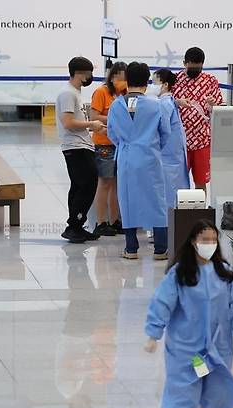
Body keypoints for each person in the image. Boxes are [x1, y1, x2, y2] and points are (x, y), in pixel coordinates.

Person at [143, 219, 233, 408]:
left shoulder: (223, 273)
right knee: (186, 394)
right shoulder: (181, 274)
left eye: (213, 240)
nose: (209, 244)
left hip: (217, 349)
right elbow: (162, 303)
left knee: (218, 393)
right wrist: (154, 334)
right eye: (204, 240)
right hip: (188, 350)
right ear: (194, 242)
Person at [107, 62, 170, 260]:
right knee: (156, 200)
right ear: (147, 80)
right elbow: (166, 133)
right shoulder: (156, 105)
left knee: (127, 200)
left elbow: (111, 133)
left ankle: (131, 248)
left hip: (126, 158)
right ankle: (160, 248)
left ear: (127, 80)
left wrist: (126, 144)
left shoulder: (116, 104)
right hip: (150, 157)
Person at [56, 57, 106, 244]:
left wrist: (93, 127)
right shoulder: (68, 94)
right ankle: (74, 225)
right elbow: (68, 123)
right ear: (80, 73)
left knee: (78, 186)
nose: (91, 77)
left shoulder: (75, 93)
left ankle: (77, 225)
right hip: (75, 146)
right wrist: (91, 124)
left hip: (82, 145)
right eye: (89, 73)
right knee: (87, 185)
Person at [172, 47, 223, 192]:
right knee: (178, 183)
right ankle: (178, 213)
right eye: (192, 68)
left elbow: (219, 108)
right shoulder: (174, 80)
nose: (195, 71)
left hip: (202, 139)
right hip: (180, 141)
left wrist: (213, 104)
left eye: (198, 68)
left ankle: (200, 213)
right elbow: (164, 104)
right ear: (184, 63)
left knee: (201, 182)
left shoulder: (210, 81)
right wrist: (177, 102)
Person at [90, 61, 128, 237]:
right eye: (120, 79)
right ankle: (100, 221)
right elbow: (94, 116)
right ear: (112, 78)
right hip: (104, 144)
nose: (123, 82)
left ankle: (114, 221)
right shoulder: (101, 92)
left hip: (120, 144)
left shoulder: (125, 95)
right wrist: (113, 118)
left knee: (116, 184)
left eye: (126, 79)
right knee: (104, 182)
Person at [149, 69, 190, 210]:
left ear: (165, 85)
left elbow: (163, 129)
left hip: (167, 156)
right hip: (174, 155)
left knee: (167, 195)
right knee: (173, 193)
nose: (151, 86)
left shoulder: (164, 103)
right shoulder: (170, 101)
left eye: (155, 82)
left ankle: (166, 228)